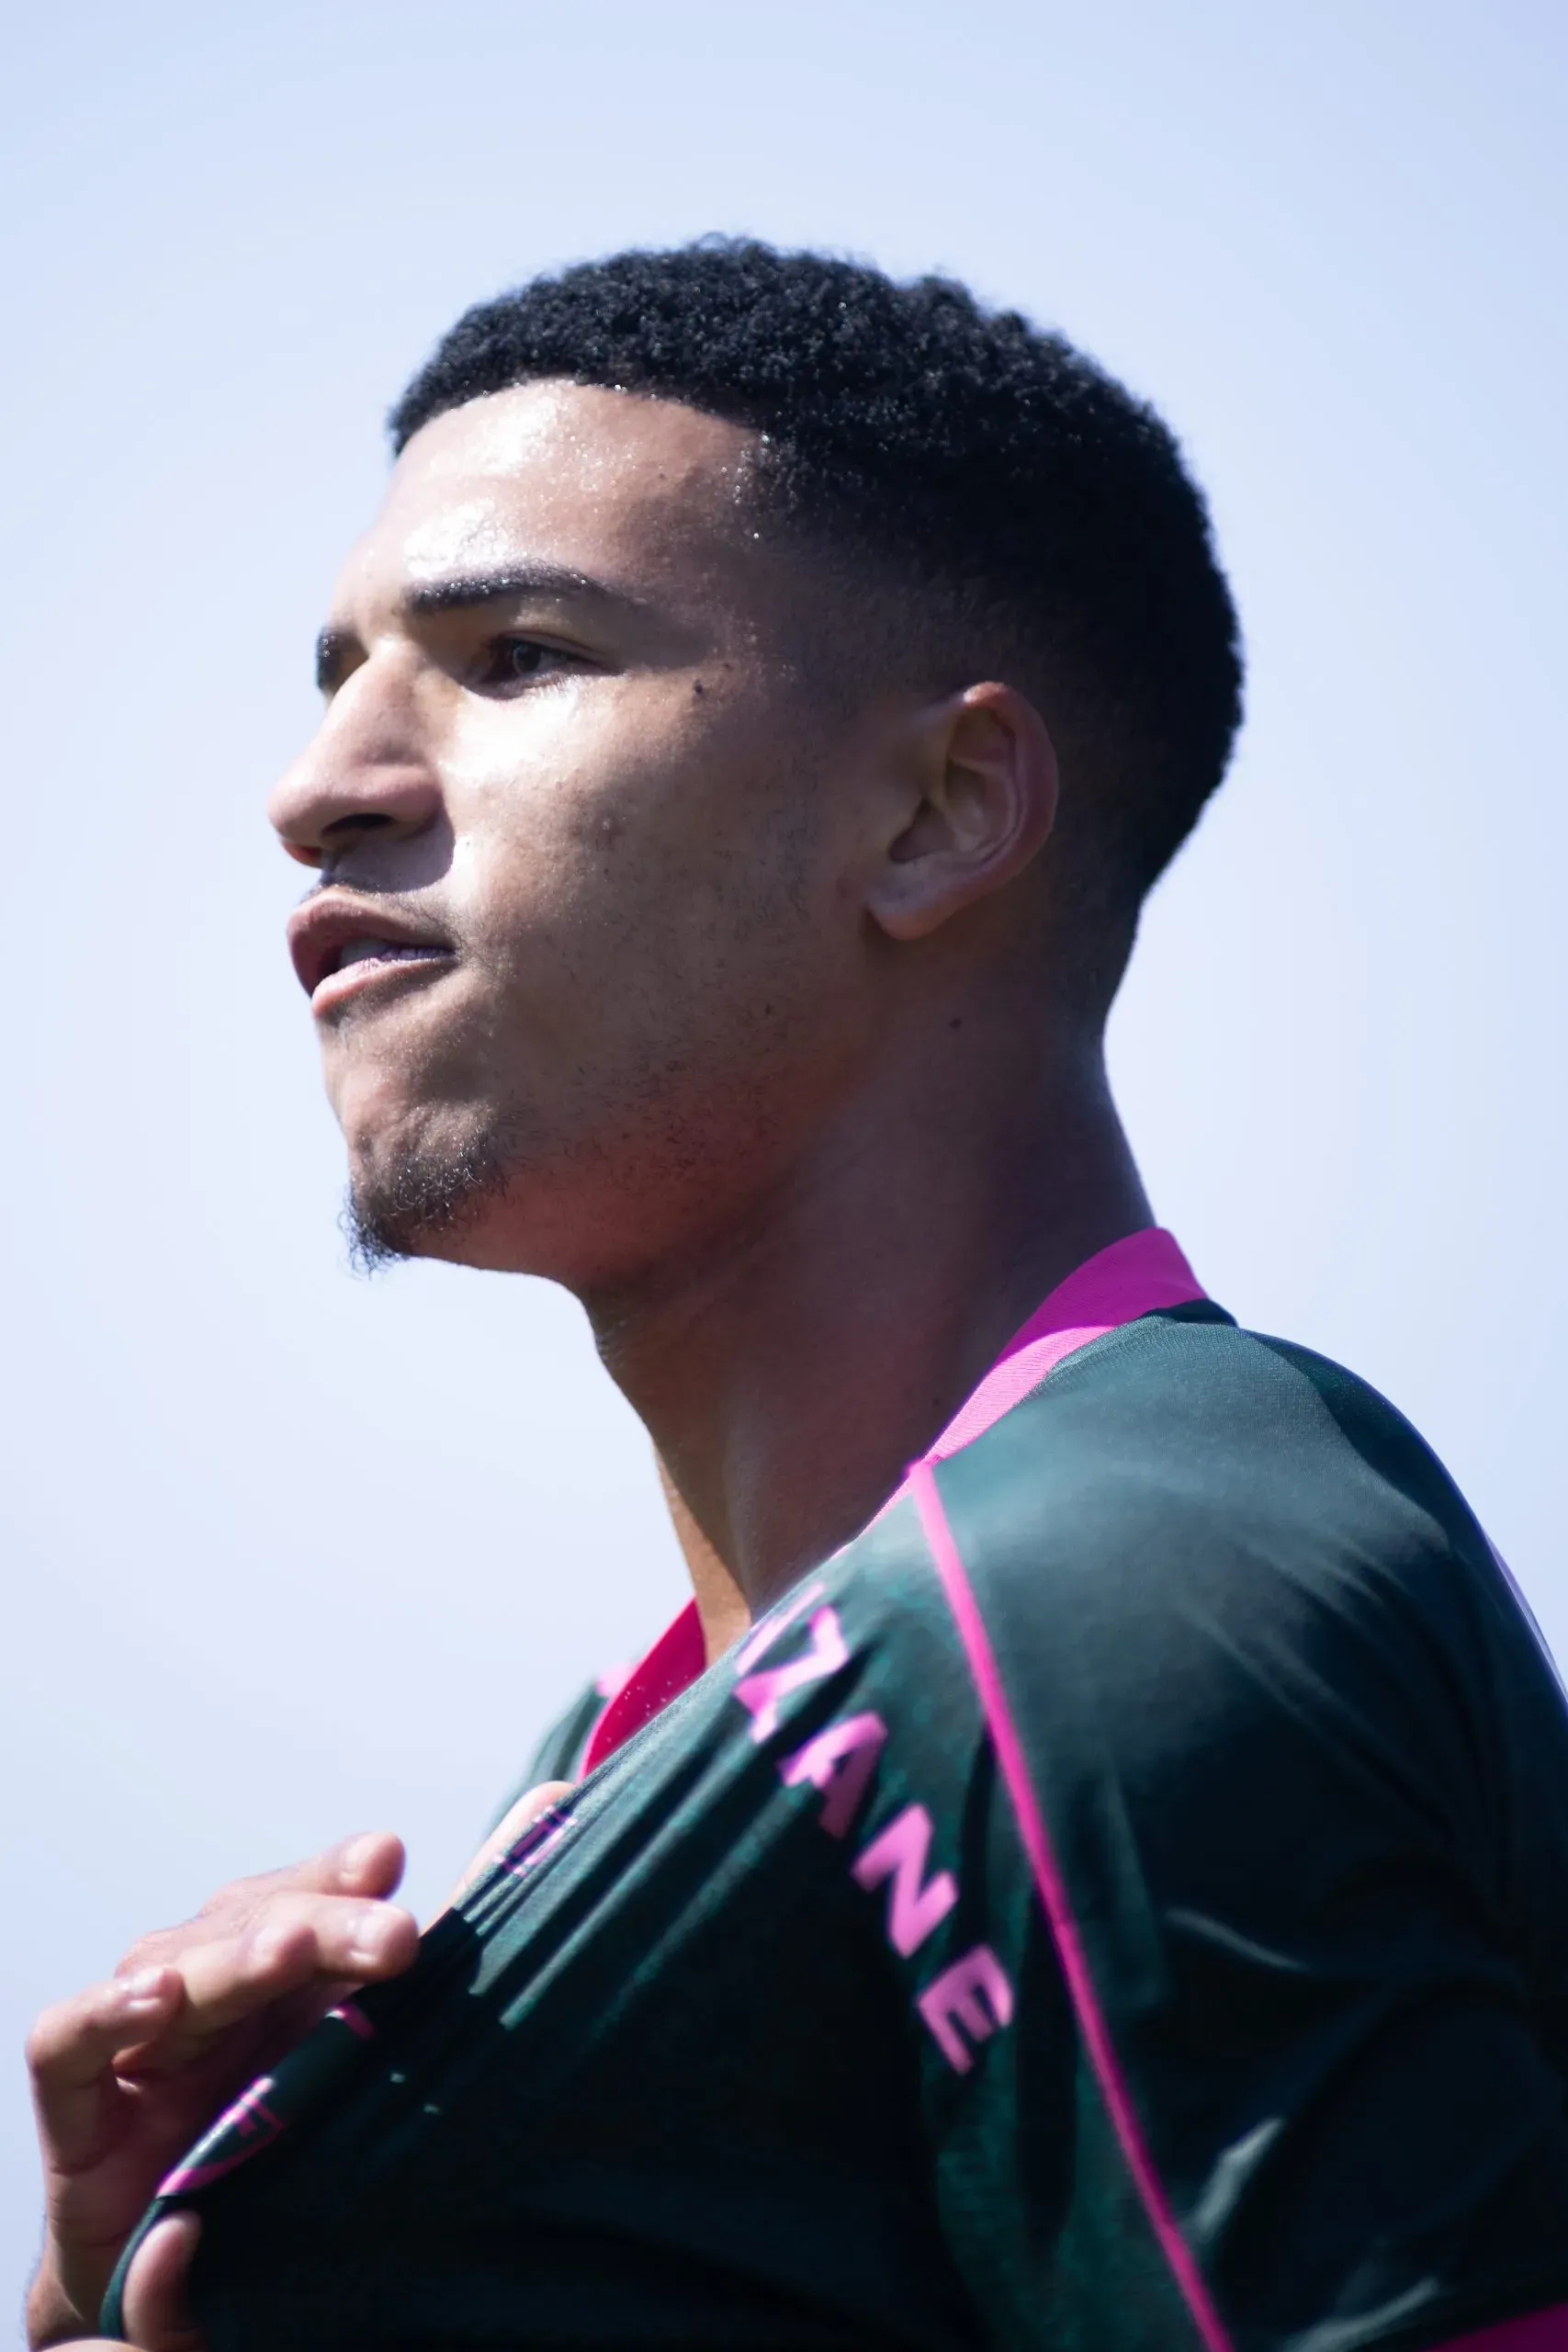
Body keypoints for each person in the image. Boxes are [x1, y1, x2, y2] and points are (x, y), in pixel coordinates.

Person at [26, 241, 1568, 2352]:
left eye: (520, 653)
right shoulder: (604, 1794)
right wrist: (126, 2292)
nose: (322, 786)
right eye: (336, 673)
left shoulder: (1106, 1605)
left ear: (937, 811)